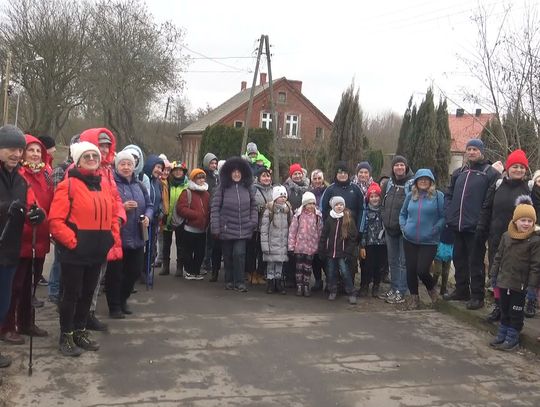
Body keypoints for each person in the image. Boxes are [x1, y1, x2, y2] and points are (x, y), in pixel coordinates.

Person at [49, 141, 120, 356]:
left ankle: (80, 330)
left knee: (88, 294)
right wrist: (74, 243)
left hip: (97, 252)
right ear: (77, 161)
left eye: (94, 156)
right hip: (74, 254)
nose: (91, 159)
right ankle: (66, 335)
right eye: (86, 156)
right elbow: (55, 221)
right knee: (71, 295)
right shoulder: (67, 185)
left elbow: (114, 216)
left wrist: (111, 238)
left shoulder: (104, 186)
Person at [2, 135, 51, 344]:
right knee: (13, 287)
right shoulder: (20, 174)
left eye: (37, 151)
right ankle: (8, 325)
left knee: (29, 286)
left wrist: (39, 215)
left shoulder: (45, 175)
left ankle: (26, 321)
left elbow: (41, 203)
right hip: (18, 239)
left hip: (37, 237)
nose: (33, 154)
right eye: (30, 150)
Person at [0, 125, 41, 368]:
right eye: (10, 148)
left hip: (10, 251)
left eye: (19, 149)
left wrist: (36, 215)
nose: (16, 154)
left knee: (3, 304)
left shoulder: (20, 180)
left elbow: (25, 209)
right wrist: (6, 208)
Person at [79, 128, 126, 332]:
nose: (105, 149)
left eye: (107, 145)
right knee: (85, 281)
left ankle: (88, 314)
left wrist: (119, 216)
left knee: (97, 278)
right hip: (89, 234)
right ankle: (80, 318)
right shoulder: (83, 171)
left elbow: (115, 198)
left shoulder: (107, 171)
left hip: (107, 231)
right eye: (101, 145)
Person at [476, 149, 532, 320]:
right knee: (496, 276)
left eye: (522, 167)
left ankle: (511, 312)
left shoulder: (528, 189)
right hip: (497, 239)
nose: (518, 170)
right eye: (515, 166)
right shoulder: (498, 185)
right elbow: (487, 208)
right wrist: (481, 228)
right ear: (508, 168)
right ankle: (498, 307)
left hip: (520, 243)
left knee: (513, 279)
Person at [444, 139, 500, 308]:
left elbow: (490, 202)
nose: (471, 152)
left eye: (475, 149)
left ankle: (477, 296)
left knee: (475, 262)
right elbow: (449, 194)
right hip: (457, 224)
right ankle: (461, 290)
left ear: (481, 151)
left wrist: (483, 222)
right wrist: (449, 213)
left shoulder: (490, 173)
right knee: (458, 259)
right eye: (469, 149)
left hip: (476, 227)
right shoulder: (459, 172)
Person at [489, 196, 540, 351]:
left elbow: (535, 266)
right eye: (523, 220)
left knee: (515, 311)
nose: (526, 224)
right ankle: (503, 333)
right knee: (504, 309)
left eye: (529, 221)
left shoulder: (535, 241)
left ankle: (513, 338)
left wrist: (532, 286)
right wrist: (493, 274)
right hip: (504, 281)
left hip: (521, 284)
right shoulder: (506, 236)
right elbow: (498, 256)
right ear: (515, 220)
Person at [106, 151, 152, 318]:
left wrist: (148, 216)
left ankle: (123, 299)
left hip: (138, 236)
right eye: (122, 164)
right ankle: (114, 305)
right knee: (115, 274)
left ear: (134, 166)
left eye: (129, 164)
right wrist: (122, 207)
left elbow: (150, 205)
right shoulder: (111, 184)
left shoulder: (139, 185)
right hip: (118, 237)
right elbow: (107, 206)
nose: (126, 167)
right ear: (116, 166)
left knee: (134, 271)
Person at [399, 169, 445, 309]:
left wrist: (435, 229)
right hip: (410, 239)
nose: (423, 181)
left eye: (426, 179)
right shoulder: (410, 196)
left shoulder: (438, 196)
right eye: (420, 179)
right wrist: (404, 227)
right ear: (416, 182)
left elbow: (444, 216)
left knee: (422, 270)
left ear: (431, 181)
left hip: (429, 240)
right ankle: (414, 298)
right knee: (411, 270)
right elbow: (402, 214)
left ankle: (432, 292)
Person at [211, 157, 257, 292]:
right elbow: (215, 207)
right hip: (226, 228)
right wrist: (216, 227)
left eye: (239, 172)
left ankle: (240, 282)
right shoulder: (222, 188)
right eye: (234, 172)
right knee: (228, 256)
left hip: (243, 228)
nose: (236, 174)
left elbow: (253, 206)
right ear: (230, 173)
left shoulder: (247, 188)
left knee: (239, 254)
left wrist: (253, 221)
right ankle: (229, 280)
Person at [47, 134, 80, 304]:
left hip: (79, 224)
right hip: (63, 220)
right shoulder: (61, 169)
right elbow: (55, 194)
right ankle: (54, 290)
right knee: (59, 260)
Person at [319, 196, 358, 304]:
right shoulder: (329, 219)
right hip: (331, 252)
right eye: (337, 205)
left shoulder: (348, 218)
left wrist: (348, 251)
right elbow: (324, 235)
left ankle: (351, 292)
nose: (339, 206)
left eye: (341, 204)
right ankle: (332, 290)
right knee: (331, 272)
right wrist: (322, 249)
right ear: (333, 206)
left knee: (345, 273)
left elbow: (353, 237)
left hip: (343, 253)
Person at [177, 168, 210, 280]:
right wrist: (196, 215)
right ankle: (189, 271)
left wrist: (207, 218)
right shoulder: (187, 192)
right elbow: (181, 209)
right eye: (198, 177)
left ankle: (196, 271)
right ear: (193, 179)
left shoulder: (206, 194)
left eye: (203, 177)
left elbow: (208, 208)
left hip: (202, 229)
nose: (201, 180)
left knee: (200, 252)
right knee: (188, 251)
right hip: (189, 228)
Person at [288, 191, 323, 297]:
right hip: (299, 247)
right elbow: (292, 231)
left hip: (311, 247)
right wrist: (291, 246)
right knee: (299, 267)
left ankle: (306, 286)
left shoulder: (317, 216)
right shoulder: (298, 215)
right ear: (304, 204)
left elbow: (320, 231)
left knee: (308, 268)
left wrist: (319, 246)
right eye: (309, 203)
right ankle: (299, 286)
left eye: (313, 203)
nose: (311, 206)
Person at [261, 186, 292, 294]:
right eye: (280, 196)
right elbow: (264, 230)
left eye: (284, 196)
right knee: (271, 263)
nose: (283, 198)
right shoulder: (269, 211)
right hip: (271, 243)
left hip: (282, 243)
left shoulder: (287, 210)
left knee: (280, 263)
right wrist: (264, 246)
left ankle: (278, 282)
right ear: (275, 198)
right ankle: (270, 282)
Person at [160, 160, 188, 277]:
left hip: (181, 218)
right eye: (175, 170)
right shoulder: (167, 183)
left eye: (180, 170)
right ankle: (165, 266)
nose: (177, 172)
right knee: (166, 244)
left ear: (183, 172)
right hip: (167, 217)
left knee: (181, 243)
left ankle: (179, 267)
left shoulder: (187, 185)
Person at [359, 183, 386, 298]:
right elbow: (363, 229)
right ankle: (364, 286)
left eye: (377, 196)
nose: (374, 198)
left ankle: (376, 286)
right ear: (368, 198)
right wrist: (362, 245)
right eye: (372, 196)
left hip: (382, 244)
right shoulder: (366, 211)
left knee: (379, 267)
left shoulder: (384, 211)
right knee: (366, 266)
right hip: (369, 244)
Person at [249, 166, 273, 284]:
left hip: (268, 227)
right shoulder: (253, 189)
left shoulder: (273, 190)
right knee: (252, 252)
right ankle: (251, 273)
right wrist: (260, 208)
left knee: (264, 251)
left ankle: (260, 273)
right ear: (258, 178)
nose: (266, 178)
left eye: (268, 175)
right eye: (263, 176)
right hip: (255, 227)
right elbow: (249, 205)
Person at [142, 154, 164, 281]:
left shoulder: (158, 183)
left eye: (161, 168)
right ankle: (140, 271)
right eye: (157, 167)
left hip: (155, 219)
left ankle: (147, 271)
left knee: (152, 247)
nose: (159, 170)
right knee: (143, 246)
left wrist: (160, 210)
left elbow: (160, 199)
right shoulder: (144, 180)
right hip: (144, 219)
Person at [308, 169, 327, 291]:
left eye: (319, 178)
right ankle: (318, 280)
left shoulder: (328, 191)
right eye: (315, 179)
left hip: (325, 227)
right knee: (315, 256)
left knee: (324, 256)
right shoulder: (308, 193)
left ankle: (330, 280)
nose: (317, 181)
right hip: (312, 228)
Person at [202, 152, 219, 276]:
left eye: (215, 163)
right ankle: (205, 261)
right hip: (205, 210)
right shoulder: (204, 176)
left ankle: (209, 261)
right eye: (211, 163)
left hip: (213, 210)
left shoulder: (216, 177)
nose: (213, 165)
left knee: (211, 238)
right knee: (205, 239)